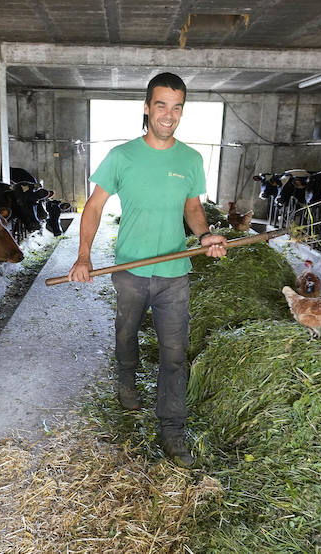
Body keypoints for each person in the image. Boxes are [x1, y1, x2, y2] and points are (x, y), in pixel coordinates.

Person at [68, 72, 227, 467]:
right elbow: (94, 206)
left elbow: (192, 207)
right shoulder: (123, 156)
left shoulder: (190, 159)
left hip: (174, 271)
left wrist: (205, 234)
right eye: (161, 105)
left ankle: (172, 429)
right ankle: (126, 381)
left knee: (175, 354)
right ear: (146, 107)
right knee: (126, 333)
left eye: (176, 107)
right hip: (131, 269)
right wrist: (84, 256)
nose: (169, 115)